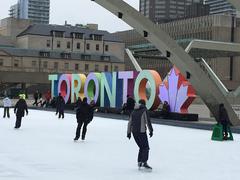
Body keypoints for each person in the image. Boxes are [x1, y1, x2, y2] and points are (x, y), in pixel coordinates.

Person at [127, 99, 153, 170]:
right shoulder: (144, 110)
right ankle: (144, 162)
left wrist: (128, 133)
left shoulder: (133, 111)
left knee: (141, 147)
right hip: (141, 132)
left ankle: (139, 161)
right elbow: (148, 121)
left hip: (134, 132)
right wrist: (151, 130)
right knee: (145, 147)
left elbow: (129, 123)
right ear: (144, 104)